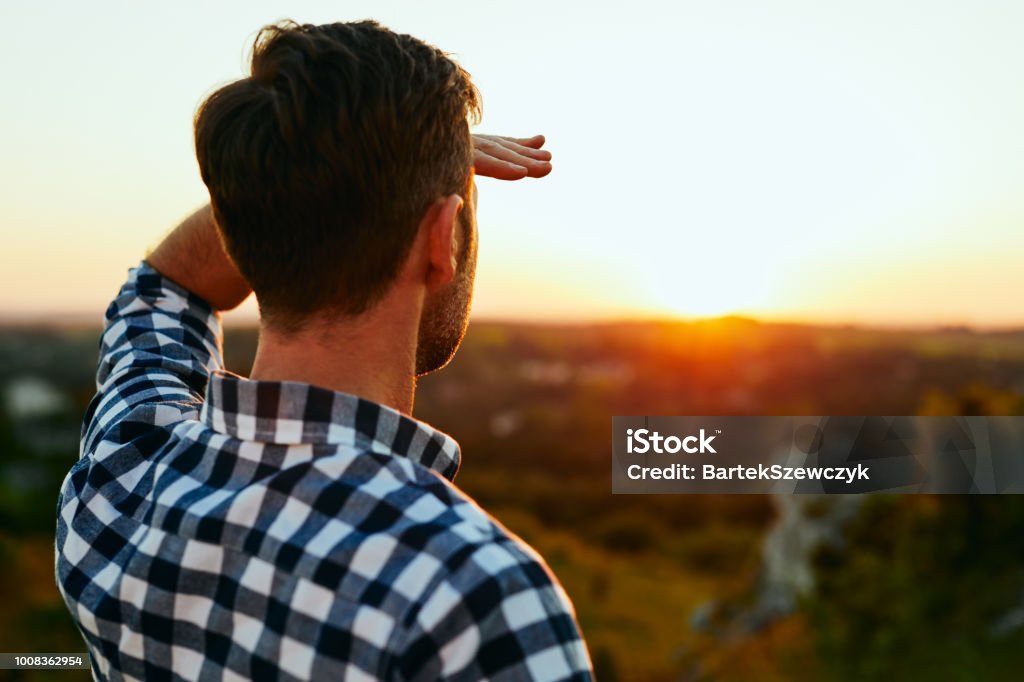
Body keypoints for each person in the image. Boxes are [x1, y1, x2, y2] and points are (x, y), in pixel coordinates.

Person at [56, 20, 593, 681]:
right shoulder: (471, 597)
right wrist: (391, 178)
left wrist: (359, 183)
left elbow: (164, 283)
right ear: (441, 236)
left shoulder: (121, 474)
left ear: (246, 225)